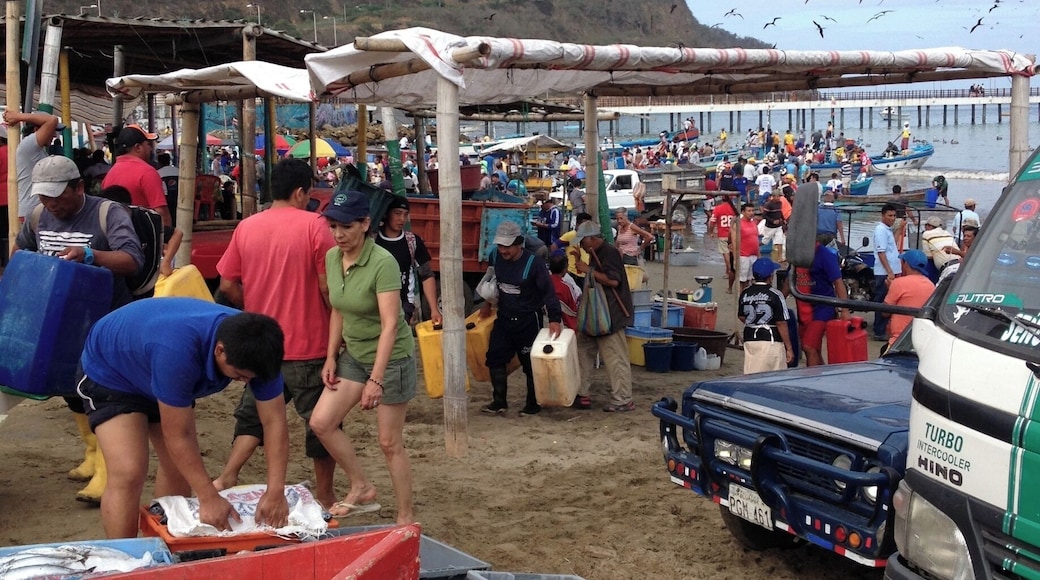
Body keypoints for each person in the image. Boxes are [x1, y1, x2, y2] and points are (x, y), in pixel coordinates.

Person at [77, 299, 290, 538]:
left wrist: (275, 491)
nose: (246, 382)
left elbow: (274, 422)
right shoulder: (178, 351)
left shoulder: (261, 351)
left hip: (157, 362)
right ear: (220, 350)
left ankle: (164, 548)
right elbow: (178, 435)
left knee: (179, 468)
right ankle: (124, 561)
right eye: (239, 376)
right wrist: (208, 497)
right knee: (129, 470)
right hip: (114, 370)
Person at [16, 155, 145, 505]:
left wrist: (90, 255)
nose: (51, 204)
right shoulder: (40, 215)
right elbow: (21, 250)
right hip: (58, 318)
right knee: (69, 387)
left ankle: (108, 465)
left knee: (99, 391)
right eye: (44, 197)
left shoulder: (108, 213)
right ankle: (92, 454)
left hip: (105, 318)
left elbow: (132, 260)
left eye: (58, 196)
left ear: (79, 186)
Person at [211, 158, 338, 510]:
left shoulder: (247, 227)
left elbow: (227, 285)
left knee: (253, 415)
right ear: (301, 192)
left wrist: (253, 308)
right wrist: (335, 325)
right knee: (321, 424)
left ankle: (228, 475)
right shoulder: (317, 226)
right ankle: (325, 494)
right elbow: (328, 286)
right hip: (310, 341)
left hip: (263, 344)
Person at [310, 190, 418, 523]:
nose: (338, 235)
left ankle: (405, 516)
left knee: (389, 442)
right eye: (332, 226)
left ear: (365, 224)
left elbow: (390, 326)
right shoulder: (331, 258)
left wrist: (376, 379)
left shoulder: (382, 262)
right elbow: (338, 310)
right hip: (354, 353)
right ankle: (360, 485)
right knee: (321, 422)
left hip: (392, 357)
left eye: (346, 226)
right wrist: (330, 356)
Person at [478, 221, 563, 416]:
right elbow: (491, 282)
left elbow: (548, 292)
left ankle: (533, 404)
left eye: (507, 246)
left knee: (530, 364)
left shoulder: (535, 263)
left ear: (519, 244)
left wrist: (554, 319)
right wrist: (487, 304)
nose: (503, 251)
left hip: (528, 320)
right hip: (504, 318)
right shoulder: (494, 257)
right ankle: (499, 401)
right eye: (500, 246)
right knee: (494, 358)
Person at [571, 221, 635, 412]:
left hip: (611, 314)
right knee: (582, 351)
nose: (581, 244)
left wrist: (587, 269)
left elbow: (613, 281)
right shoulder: (595, 253)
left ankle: (623, 399)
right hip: (595, 314)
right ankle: (582, 393)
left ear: (592, 239)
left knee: (616, 359)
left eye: (583, 240)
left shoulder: (610, 252)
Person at [375, 195, 442, 326]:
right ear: (387, 214)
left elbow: (427, 275)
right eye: (397, 213)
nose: (402, 219)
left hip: (403, 305)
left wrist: (434, 309)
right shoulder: (373, 240)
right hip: (375, 303)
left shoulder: (412, 241)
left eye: (405, 215)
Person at [795, 235, 851, 366]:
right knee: (813, 348)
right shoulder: (796, 255)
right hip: (803, 308)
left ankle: (813, 381)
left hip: (823, 308)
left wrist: (845, 310)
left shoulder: (825, 255)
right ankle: (823, 375)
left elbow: (838, 282)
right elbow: (789, 279)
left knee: (809, 346)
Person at [102, 124, 172, 227]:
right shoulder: (147, 172)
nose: (151, 149)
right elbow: (162, 215)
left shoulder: (110, 174)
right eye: (148, 144)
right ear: (138, 147)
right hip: (142, 237)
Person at [2, 110, 62, 220]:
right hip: (32, 212)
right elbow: (52, 120)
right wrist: (17, 116)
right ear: (36, 130)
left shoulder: (38, 150)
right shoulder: (28, 145)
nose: (54, 135)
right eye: (52, 130)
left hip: (36, 210)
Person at [738, 258, 793, 373]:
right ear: (771, 276)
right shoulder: (776, 294)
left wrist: (755, 322)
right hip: (771, 340)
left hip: (749, 338)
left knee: (751, 372)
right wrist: (789, 348)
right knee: (774, 376)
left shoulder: (745, 292)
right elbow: (781, 322)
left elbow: (742, 316)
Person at [882, 250, 936, 348]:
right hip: (920, 338)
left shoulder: (898, 283)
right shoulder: (931, 285)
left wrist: (890, 289)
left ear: (906, 263)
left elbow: (885, 312)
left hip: (899, 339)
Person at [872, 204, 901, 342]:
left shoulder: (887, 230)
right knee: (883, 301)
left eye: (894, 216)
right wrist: (889, 271)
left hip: (891, 270)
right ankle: (879, 331)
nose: (892, 218)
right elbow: (881, 252)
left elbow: (892, 245)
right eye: (890, 215)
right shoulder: (880, 230)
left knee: (889, 300)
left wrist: (900, 229)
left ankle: (882, 328)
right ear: (882, 216)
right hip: (884, 272)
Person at [708, 192, 738, 293]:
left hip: (723, 234)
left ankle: (730, 270)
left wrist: (711, 232)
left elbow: (712, 222)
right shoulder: (735, 208)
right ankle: (729, 270)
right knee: (733, 253)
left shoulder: (718, 208)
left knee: (725, 253)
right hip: (734, 234)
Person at [554, 211, 592, 288]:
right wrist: (562, 264)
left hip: (584, 272)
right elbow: (554, 246)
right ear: (578, 224)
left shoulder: (587, 237)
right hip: (572, 272)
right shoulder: (571, 235)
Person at [731, 202, 760, 290]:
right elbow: (734, 241)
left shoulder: (753, 223)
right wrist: (736, 258)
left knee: (750, 279)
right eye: (749, 211)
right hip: (743, 256)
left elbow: (756, 239)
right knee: (741, 280)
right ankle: (740, 297)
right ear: (743, 212)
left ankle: (745, 296)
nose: (751, 213)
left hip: (753, 255)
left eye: (752, 210)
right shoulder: (739, 224)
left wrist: (759, 255)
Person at [920, 216, 957, 282]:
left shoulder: (926, 234)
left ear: (928, 226)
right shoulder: (947, 233)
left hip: (947, 267)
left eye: (925, 225)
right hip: (959, 263)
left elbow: (929, 257)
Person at [549, 252, 579, 330]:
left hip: (546, 321)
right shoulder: (566, 287)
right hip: (566, 323)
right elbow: (574, 306)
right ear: (564, 269)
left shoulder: (544, 283)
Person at [760, 190, 786, 263]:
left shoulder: (780, 203)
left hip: (778, 226)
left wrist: (783, 219)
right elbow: (764, 215)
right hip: (770, 227)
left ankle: (780, 257)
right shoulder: (769, 204)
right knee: (765, 241)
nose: (778, 198)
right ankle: (755, 247)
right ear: (773, 197)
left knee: (779, 241)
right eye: (777, 196)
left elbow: (780, 212)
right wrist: (772, 221)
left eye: (779, 196)